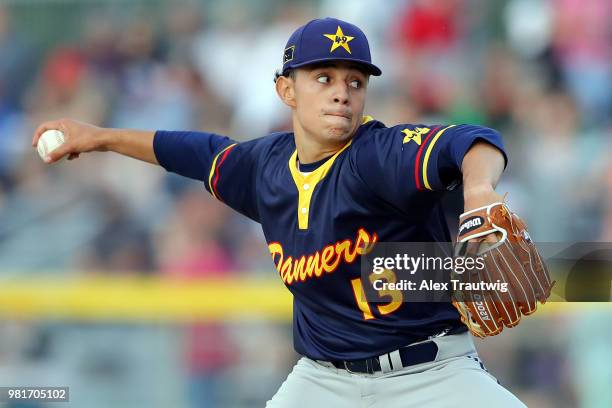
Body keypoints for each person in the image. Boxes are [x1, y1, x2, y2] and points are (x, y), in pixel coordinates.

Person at [34, 17, 535, 407]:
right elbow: (191, 151)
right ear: (286, 90)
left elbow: (472, 141)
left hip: (432, 376)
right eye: (323, 77)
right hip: (323, 381)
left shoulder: (378, 155)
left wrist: (478, 191)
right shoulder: (265, 167)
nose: (342, 91)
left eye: (355, 81)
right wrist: (100, 137)